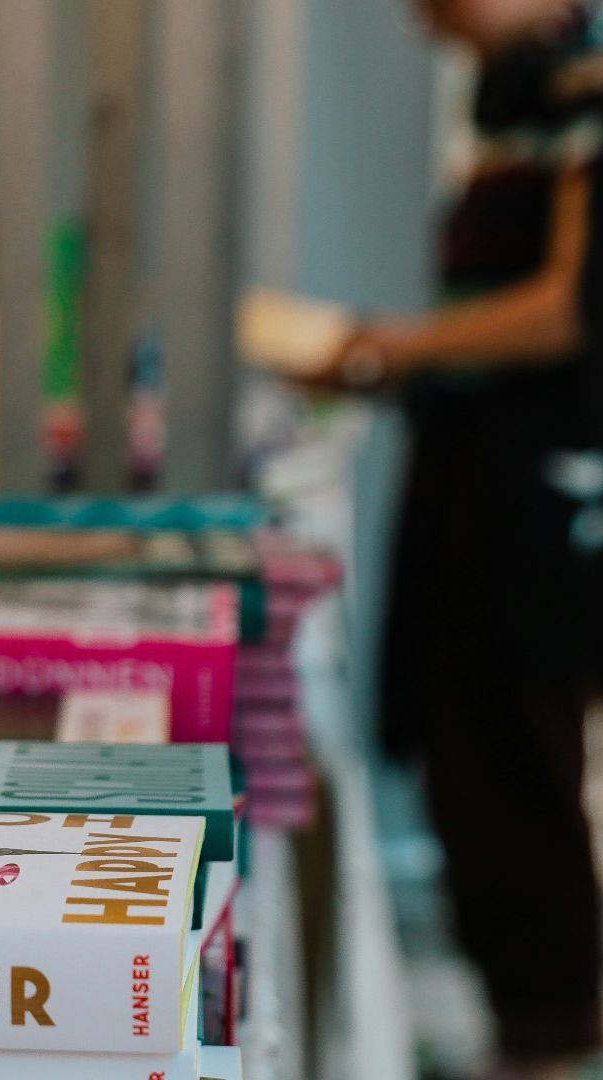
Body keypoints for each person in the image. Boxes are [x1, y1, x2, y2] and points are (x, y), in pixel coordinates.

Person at [302, 2, 603, 1076]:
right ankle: (529, 1024)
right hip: (482, 459)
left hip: (541, 474)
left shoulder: (582, 78)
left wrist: (398, 347)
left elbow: (568, 309)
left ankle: (549, 1033)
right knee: (464, 737)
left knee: (512, 746)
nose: (429, 19)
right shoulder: (519, 88)